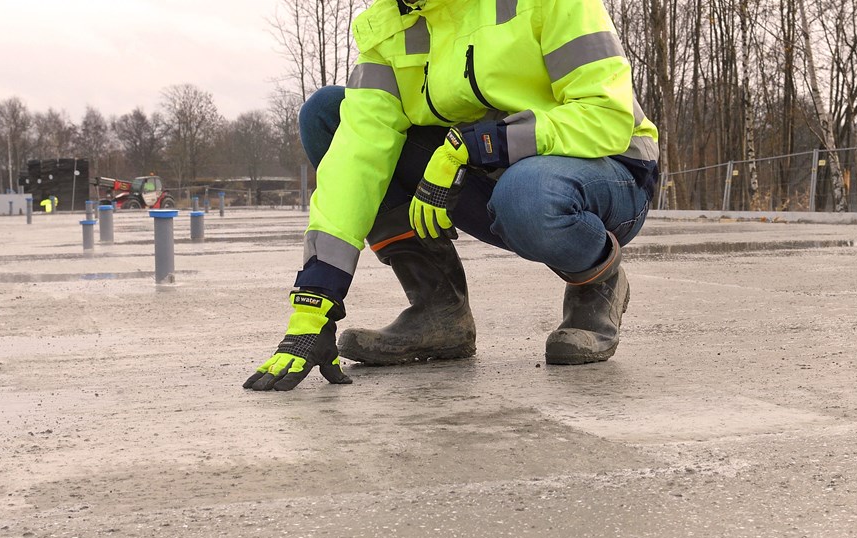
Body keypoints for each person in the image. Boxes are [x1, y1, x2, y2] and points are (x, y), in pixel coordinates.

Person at [244, 0, 659, 392]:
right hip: (485, 166)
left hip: (606, 169)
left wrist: (480, 145)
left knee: (530, 196)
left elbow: (607, 115)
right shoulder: (392, 23)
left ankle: (597, 279)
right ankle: (438, 311)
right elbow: (357, 156)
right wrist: (315, 301)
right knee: (328, 114)